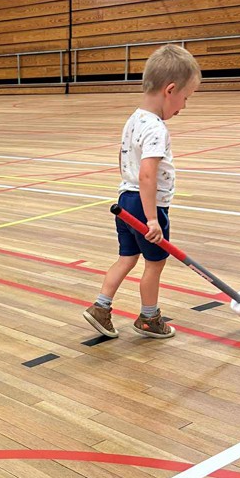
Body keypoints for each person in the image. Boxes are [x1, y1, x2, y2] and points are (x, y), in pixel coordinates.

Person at [83, 44, 202, 340]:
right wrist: (151, 220)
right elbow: (147, 174)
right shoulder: (156, 128)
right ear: (170, 90)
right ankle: (149, 318)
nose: (184, 106)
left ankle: (101, 307)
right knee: (155, 263)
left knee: (126, 257)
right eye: (186, 97)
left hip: (125, 200)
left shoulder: (134, 118)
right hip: (147, 207)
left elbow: (123, 158)